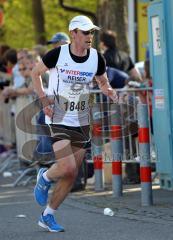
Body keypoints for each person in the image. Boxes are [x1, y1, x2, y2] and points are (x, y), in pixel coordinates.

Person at [31, 15, 118, 233]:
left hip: (81, 119)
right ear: (74, 33)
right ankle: (45, 176)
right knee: (67, 166)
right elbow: (35, 73)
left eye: (92, 32)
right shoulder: (57, 54)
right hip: (57, 117)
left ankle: (48, 215)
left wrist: (107, 89)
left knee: (72, 173)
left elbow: (102, 79)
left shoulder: (97, 58)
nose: (90, 36)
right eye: (86, 32)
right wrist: (43, 99)